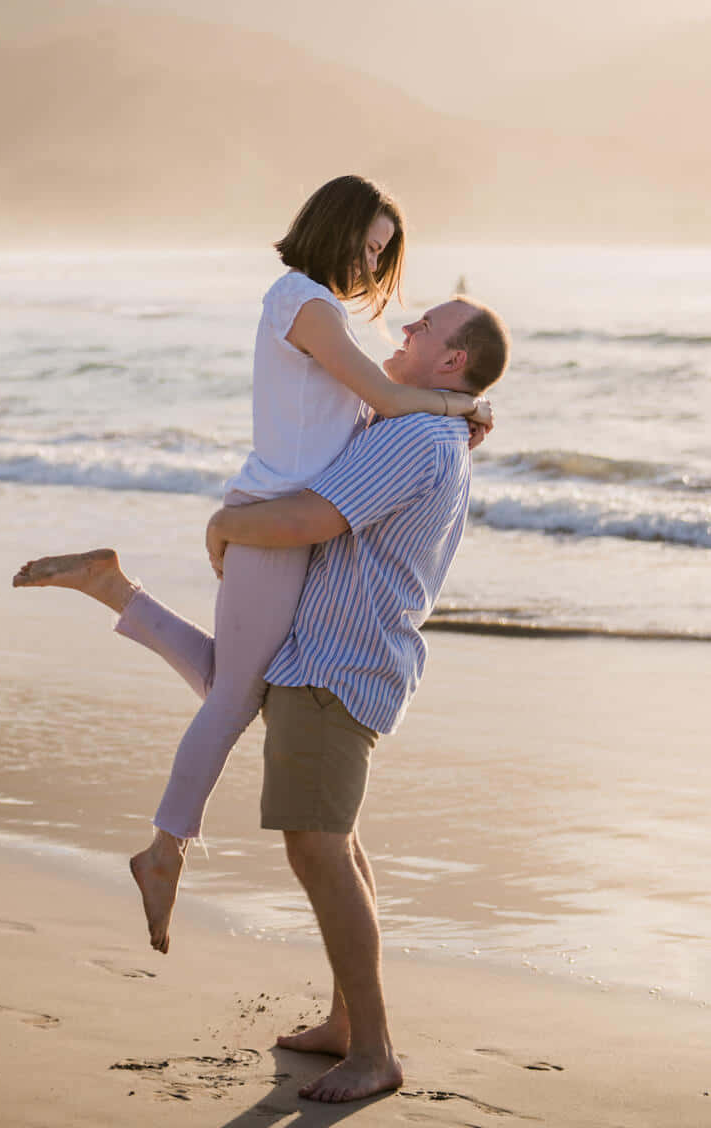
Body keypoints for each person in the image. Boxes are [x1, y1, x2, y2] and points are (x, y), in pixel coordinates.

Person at [13, 175, 492, 956]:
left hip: (288, 523)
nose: (373, 267)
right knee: (237, 696)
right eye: (367, 246)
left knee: (246, 690)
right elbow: (377, 391)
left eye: (381, 254)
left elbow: (356, 413)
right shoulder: (302, 300)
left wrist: (449, 420)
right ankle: (164, 848)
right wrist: (458, 406)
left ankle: (113, 588)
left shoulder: (321, 310)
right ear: (331, 228)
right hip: (275, 521)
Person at [203, 293, 509, 1103]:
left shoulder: (415, 435)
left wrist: (225, 527)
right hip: (345, 657)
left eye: (426, 327)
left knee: (317, 848)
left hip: (340, 663)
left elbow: (312, 518)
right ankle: (347, 1023)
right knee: (333, 839)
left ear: (451, 360)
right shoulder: (426, 423)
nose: (405, 328)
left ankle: (374, 1049)